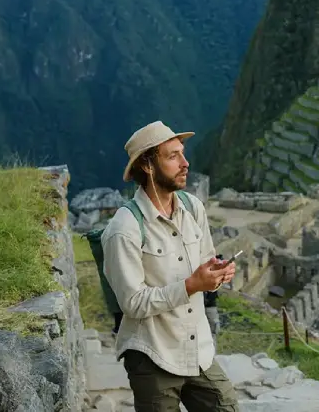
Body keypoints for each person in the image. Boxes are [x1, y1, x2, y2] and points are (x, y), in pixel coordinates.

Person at [101, 121, 240, 412]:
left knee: (226, 406)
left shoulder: (192, 208)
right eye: (173, 156)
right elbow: (133, 303)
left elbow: (206, 262)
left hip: (196, 348)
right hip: (153, 354)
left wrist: (217, 274)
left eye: (183, 153)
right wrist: (192, 285)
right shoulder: (124, 229)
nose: (185, 163)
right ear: (148, 165)